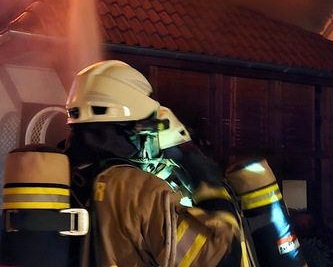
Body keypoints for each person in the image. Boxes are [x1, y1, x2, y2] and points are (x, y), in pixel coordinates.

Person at [62, 60, 249, 267]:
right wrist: (201, 174)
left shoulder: (58, 173)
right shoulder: (140, 191)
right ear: (135, 126)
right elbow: (221, 257)